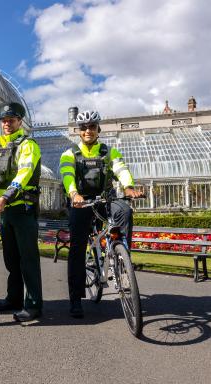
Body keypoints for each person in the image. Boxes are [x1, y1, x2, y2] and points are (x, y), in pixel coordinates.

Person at [59, 110, 144, 318]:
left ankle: (122, 257)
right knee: (77, 250)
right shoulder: (69, 154)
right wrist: (73, 193)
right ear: (79, 132)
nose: (88, 130)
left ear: (98, 129)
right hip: (81, 203)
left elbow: (121, 169)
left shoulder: (109, 152)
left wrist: (128, 187)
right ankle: (75, 299)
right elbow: (67, 174)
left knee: (124, 209)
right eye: (83, 127)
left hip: (105, 200)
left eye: (92, 126)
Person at [0, 101, 43, 322]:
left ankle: (33, 306)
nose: (6, 124)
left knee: (28, 259)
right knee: (11, 259)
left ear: (20, 121)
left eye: (11, 120)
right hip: (6, 212)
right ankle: (14, 298)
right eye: (3, 121)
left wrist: (6, 196)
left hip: (22, 208)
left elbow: (24, 173)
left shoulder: (28, 145)